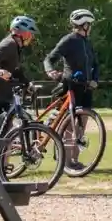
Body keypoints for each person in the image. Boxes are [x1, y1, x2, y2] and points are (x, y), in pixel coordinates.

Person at [44, 9, 100, 168]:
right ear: (84, 24)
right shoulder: (69, 40)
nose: (91, 28)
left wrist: (95, 80)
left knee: (82, 125)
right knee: (70, 126)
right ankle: (67, 161)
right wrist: (50, 71)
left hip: (86, 88)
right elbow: (50, 58)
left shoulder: (87, 43)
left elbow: (95, 65)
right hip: (71, 85)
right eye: (90, 25)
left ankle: (75, 160)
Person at [0, 15, 39, 130]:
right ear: (22, 33)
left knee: (5, 135)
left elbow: (16, 71)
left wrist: (27, 84)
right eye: (30, 34)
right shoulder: (9, 44)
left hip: (5, 97)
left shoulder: (17, 48)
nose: (31, 37)